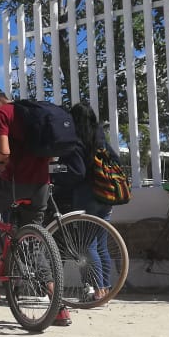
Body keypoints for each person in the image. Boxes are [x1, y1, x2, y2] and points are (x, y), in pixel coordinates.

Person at [0, 88, 72, 326]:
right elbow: (49, 157)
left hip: (14, 184)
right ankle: (58, 308)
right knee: (33, 241)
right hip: (41, 184)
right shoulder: (32, 113)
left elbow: (5, 152)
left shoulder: (3, 113)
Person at [52, 101, 121, 300]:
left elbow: (76, 172)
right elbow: (116, 160)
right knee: (101, 244)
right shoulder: (100, 137)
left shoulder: (75, 139)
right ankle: (106, 289)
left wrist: (58, 180)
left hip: (86, 195)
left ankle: (98, 291)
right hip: (106, 195)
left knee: (86, 244)